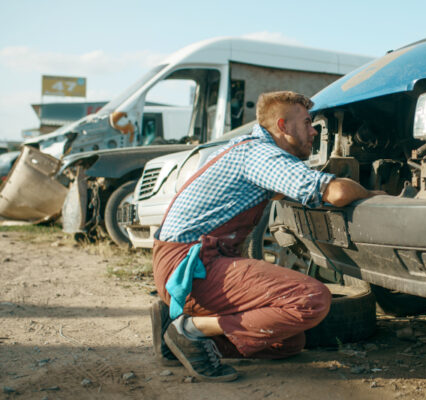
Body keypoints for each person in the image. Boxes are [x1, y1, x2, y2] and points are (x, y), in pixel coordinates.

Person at [150, 91, 380, 381]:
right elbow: (337, 192)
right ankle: (189, 329)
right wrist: (373, 194)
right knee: (311, 299)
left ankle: (172, 334)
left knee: (287, 343)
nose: (313, 132)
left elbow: (299, 191)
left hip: (193, 264)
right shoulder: (259, 153)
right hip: (191, 266)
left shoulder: (250, 149)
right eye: (308, 123)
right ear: (282, 126)